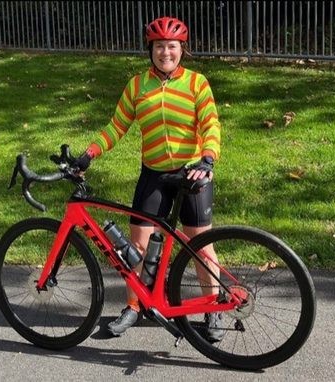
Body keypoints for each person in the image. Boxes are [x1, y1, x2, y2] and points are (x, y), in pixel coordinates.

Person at [74, 16, 223, 342]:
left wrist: (208, 158)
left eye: (172, 46)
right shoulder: (138, 85)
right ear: (150, 50)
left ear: (182, 49)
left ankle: (213, 309)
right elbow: (116, 127)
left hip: (191, 174)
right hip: (153, 175)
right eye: (159, 47)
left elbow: (211, 124)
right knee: (138, 246)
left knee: (200, 246)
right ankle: (134, 305)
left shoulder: (197, 83)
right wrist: (90, 154)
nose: (165, 53)